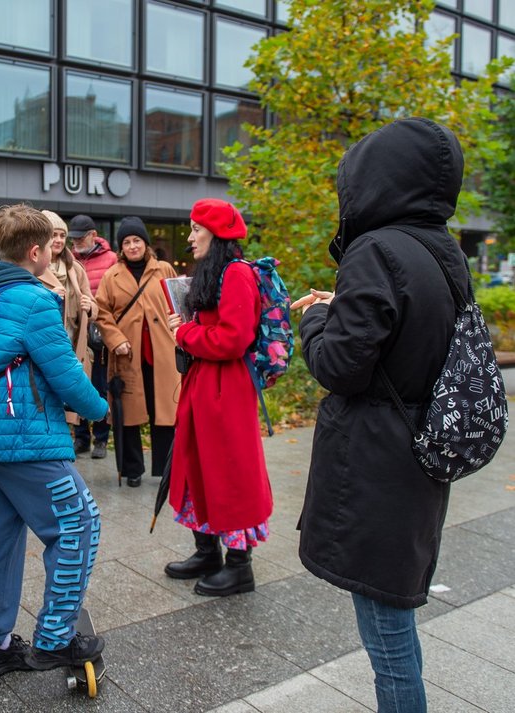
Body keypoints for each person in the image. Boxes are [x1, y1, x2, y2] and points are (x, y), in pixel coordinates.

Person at [292, 117, 468, 713]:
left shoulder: (376, 250)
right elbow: (407, 333)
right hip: (419, 453)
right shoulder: (441, 249)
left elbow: (340, 367)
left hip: (377, 464)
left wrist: (315, 319)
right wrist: (344, 306)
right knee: (394, 621)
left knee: (387, 641)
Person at [0, 204, 108, 678]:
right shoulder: (35, 300)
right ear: (36, 251)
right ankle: (55, 640)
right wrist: (101, 410)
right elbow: (65, 373)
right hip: (23, 440)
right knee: (80, 524)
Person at [163, 199, 272, 597]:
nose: (190, 237)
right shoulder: (218, 271)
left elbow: (233, 338)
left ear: (216, 233)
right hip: (208, 385)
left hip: (226, 390)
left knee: (230, 473)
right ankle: (207, 551)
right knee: (198, 467)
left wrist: (184, 334)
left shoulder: (237, 274)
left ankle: (240, 566)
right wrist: (189, 327)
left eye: (196, 229)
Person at [95, 217, 179, 487]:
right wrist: (115, 339)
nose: (132, 246)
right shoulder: (111, 275)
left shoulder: (164, 269)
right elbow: (102, 313)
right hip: (128, 354)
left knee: (165, 411)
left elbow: (180, 302)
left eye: (137, 241)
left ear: (146, 243)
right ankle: (132, 470)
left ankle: (167, 469)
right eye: (127, 242)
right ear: (121, 247)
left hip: (162, 353)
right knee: (128, 414)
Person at [37, 209, 97, 422]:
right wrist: (49, 295)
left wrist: (89, 306)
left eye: (62, 235)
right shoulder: (32, 268)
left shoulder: (75, 269)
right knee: (44, 405)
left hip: (71, 346)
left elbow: (94, 308)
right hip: (44, 346)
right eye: (54, 235)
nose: (59, 240)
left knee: (68, 410)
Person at [69, 214, 117, 459]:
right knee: (78, 383)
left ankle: (100, 438)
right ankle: (81, 437)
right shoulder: (69, 259)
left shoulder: (111, 260)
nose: (75, 242)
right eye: (73, 238)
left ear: (92, 235)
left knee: (100, 385)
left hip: (100, 331)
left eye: (80, 237)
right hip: (77, 332)